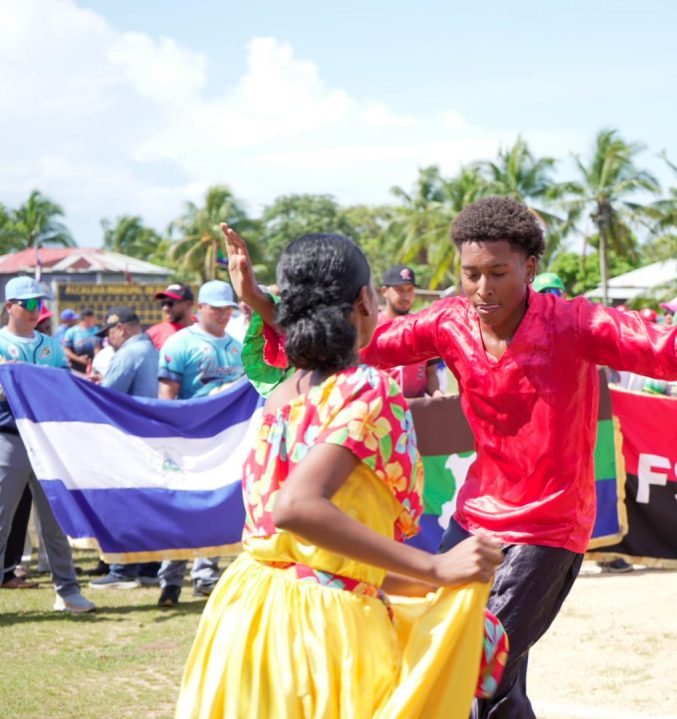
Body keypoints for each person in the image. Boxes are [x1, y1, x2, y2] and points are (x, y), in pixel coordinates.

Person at [224, 197, 677, 718]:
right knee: (479, 675)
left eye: (498, 272)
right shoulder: (449, 323)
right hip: (474, 519)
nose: (482, 289)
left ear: (530, 267)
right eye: (470, 274)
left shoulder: (577, 323)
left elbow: (673, 343)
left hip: (548, 527)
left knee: (471, 667)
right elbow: (362, 338)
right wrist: (261, 303)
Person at [176, 233, 506, 719]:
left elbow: (323, 556)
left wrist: (427, 587)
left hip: (246, 618)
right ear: (364, 301)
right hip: (321, 637)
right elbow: (297, 508)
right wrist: (435, 568)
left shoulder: (284, 394)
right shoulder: (366, 387)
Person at [0, 277, 96, 612]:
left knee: (55, 520)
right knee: (2, 520)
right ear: (9, 306)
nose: (34, 310)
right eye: (28, 304)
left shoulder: (51, 345)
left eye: (39, 304)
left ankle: (67, 591)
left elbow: (62, 385)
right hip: (9, 438)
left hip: (47, 442)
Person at [157, 281, 243, 602]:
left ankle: (206, 575)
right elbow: (166, 397)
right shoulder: (180, 343)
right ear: (201, 308)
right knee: (181, 509)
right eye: (216, 308)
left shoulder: (237, 348)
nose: (223, 314)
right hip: (187, 439)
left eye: (227, 309)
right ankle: (171, 580)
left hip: (223, 441)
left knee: (216, 505)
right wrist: (170, 439)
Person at [85, 307, 165, 591]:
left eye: (109, 333)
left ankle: (122, 570)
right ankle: (149, 568)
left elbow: (107, 396)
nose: (108, 340)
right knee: (148, 505)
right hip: (152, 438)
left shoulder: (129, 353)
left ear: (121, 328)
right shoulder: (153, 351)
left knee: (125, 504)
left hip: (129, 440)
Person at [378, 265, 440, 398]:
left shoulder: (422, 327)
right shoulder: (372, 328)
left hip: (417, 407)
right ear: (384, 291)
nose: (405, 296)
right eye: (399, 290)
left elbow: (430, 373)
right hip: (382, 407)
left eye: (410, 289)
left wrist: (437, 393)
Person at [147, 283, 195, 350]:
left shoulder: (204, 330)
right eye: (163, 303)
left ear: (188, 304)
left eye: (170, 303)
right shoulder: (153, 333)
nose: (165, 308)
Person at [61, 308, 100, 372]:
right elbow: (66, 349)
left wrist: (96, 360)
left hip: (93, 367)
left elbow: (97, 347)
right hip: (76, 368)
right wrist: (78, 359)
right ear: (86, 318)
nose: (94, 320)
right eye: (92, 318)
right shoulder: (72, 331)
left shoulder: (96, 330)